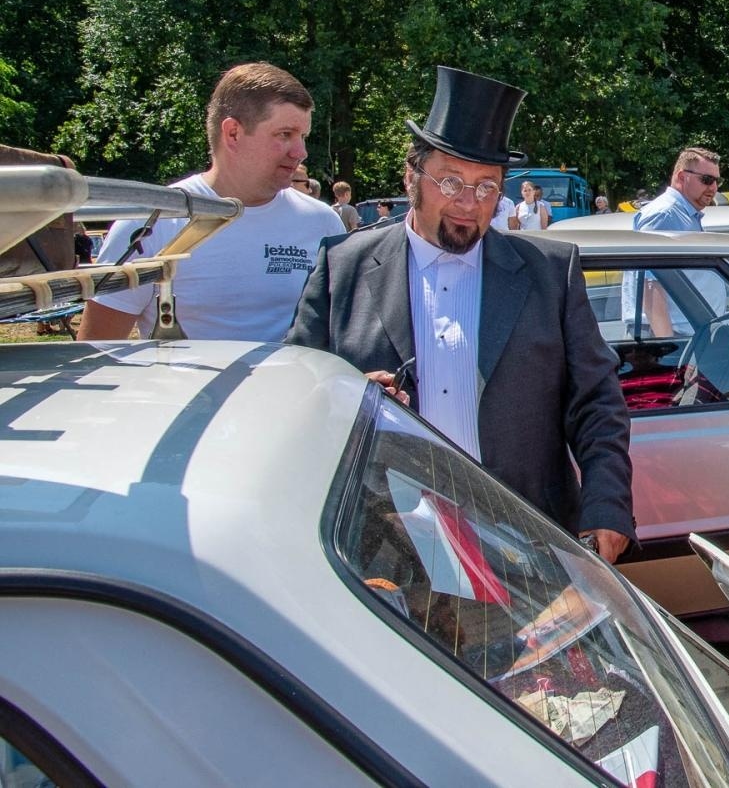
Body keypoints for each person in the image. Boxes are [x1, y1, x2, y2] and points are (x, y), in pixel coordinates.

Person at [286, 66, 634, 561]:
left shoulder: (549, 273)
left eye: (487, 187)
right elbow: (298, 393)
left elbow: (597, 401)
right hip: (385, 546)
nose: (470, 204)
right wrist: (349, 396)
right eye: (450, 182)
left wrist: (607, 504)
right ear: (411, 175)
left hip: (525, 543)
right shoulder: (342, 266)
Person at [80, 62, 344, 342]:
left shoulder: (323, 222)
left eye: (303, 136)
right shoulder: (153, 224)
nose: (301, 152)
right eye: (285, 135)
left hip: (298, 386)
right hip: (189, 387)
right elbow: (96, 352)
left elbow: (343, 334)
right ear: (233, 133)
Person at [632, 147, 723, 335]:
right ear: (682, 177)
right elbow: (651, 286)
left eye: (717, 181)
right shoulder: (665, 215)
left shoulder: (683, 214)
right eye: (707, 180)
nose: (714, 187)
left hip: (688, 333)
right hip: (675, 336)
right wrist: (667, 346)